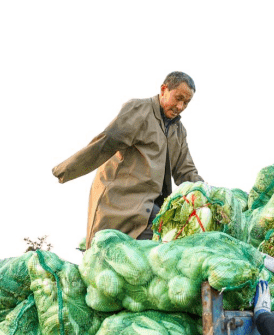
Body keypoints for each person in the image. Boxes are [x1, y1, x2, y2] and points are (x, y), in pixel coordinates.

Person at [52, 71, 204, 249]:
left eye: (186, 102)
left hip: (153, 205)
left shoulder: (178, 131)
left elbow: (186, 171)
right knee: (165, 232)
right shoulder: (139, 110)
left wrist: (212, 196)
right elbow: (107, 141)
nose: (180, 106)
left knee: (183, 230)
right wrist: (67, 169)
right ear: (164, 90)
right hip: (123, 201)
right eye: (178, 98)